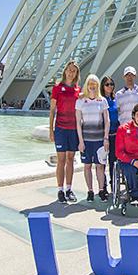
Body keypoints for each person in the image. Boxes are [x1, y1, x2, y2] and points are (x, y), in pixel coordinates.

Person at [49, 60, 81, 203]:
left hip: (73, 129)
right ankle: (60, 190)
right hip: (61, 128)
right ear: (65, 71)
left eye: (73, 70)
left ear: (76, 74)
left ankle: (69, 189)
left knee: (70, 159)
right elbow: (52, 111)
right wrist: (51, 130)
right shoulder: (57, 88)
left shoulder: (78, 90)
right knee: (61, 160)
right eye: (69, 70)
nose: (71, 72)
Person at [75, 74, 110, 202]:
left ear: (97, 86)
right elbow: (78, 122)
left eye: (94, 84)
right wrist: (80, 141)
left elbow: (107, 121)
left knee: (100, 166)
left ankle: (101, 190)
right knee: (87, 166)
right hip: (86, 141)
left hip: (100, 140)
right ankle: (90, 191)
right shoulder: (80, 101)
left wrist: (106, 138)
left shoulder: (102, 101)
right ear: (86, 85)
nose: (92, 86)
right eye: (90, 83)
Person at [100, 75, 119, 192]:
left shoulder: (115, 99)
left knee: (113, 162)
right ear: (102, 86)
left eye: (111, 84)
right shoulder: (100, 100)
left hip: (115, 135)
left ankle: (114, 186)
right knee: (102, 162)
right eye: (107, 84)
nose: (110, 86)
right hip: (103, 136)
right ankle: (103, 187)